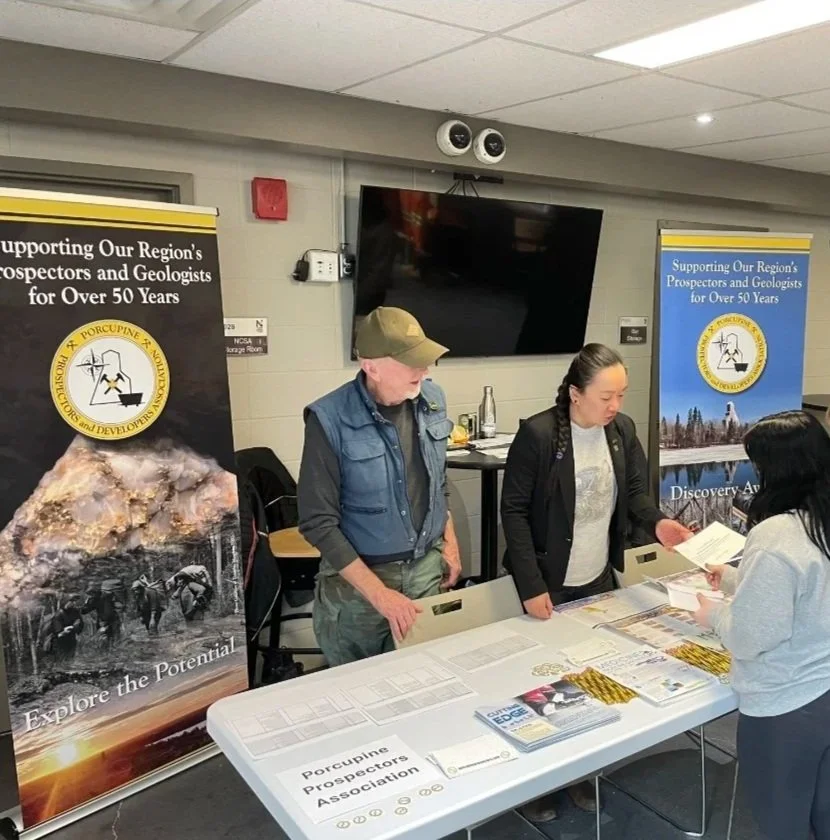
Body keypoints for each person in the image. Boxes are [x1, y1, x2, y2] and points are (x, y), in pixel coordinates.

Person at [500, 342, 692, 821]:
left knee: (589, 679)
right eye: (606, 396)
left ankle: (582, 772)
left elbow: (634, 494)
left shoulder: (620, 431)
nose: (616, 406)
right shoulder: (539, 435)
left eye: (621, 395)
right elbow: (515, 511)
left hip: (598, 575)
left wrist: (659, 524)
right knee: (543, 684)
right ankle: (540, 782)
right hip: (549, 578)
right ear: (574, 393)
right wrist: (530, 585)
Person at [298, 306, 461, 666]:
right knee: (361, 699)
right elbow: (317, 522)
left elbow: (436, 483)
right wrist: (381, 596)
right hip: (359, 594)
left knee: (424, 685)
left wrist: (450, 543)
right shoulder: (329, 419)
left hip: (424, 576)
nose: (424, 370)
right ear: (370, 365)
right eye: (410, 361)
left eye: (425, 359)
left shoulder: (433, 400)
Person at [694, 410, 830, 840]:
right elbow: (810, 589)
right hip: (825, 690)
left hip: (786, 708)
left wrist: (712, 614)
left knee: (784, 824)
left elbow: (752, 637)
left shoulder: (775, 536)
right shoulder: (821, 517)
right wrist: (737, 578)